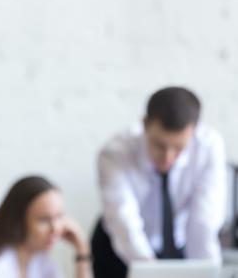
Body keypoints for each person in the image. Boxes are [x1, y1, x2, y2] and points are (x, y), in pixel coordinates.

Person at [91, 86, 226, 278]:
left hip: (179, 243)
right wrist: (151, 273)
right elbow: (123, 218)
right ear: (145, 125)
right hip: (121, 248)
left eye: (179, 148)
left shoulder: (209, 147)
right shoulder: (115, 153)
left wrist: (207, 271)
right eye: (160, 145)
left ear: (193, 132)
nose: (168, 157)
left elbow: (203, 220)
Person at [0, 176, 92, 278]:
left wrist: (82, 249)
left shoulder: (40, 261)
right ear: (18, 221)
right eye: (44, 219)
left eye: (59, 216)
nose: (55, 228)